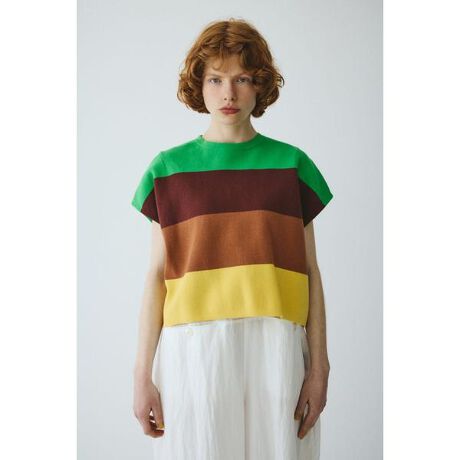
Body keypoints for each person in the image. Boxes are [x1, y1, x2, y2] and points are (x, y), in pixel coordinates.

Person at [131, 17, 333, 460]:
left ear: (260, 85)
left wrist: (319, 367)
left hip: (276, 346)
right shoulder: (168, 170)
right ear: (198, 85)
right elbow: (156, 276)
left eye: (242, 79)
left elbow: (310, 270)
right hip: (194, 350)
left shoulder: (291, 166)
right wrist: (142, 374)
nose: (228, 93)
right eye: (216, 79)